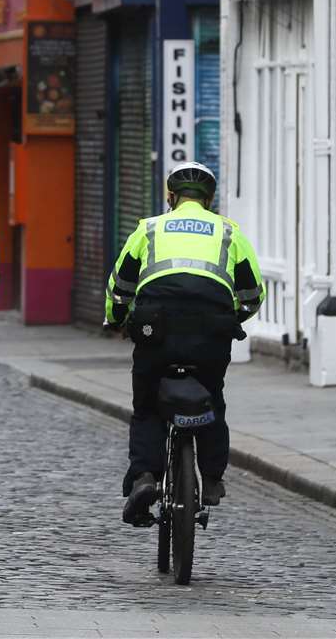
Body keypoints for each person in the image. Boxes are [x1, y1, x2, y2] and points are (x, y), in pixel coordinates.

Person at [105, 161, 262, 523]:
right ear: (209, 199)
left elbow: (120, 286)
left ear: (170, 197)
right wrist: (234, 316)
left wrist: (116, 319)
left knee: (146, 406)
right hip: (210, 333)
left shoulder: (149, 230)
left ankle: (145, 476)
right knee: (212, 397)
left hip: (156, 332)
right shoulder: (228, 232)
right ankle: (210, 479)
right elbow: (253, 292)